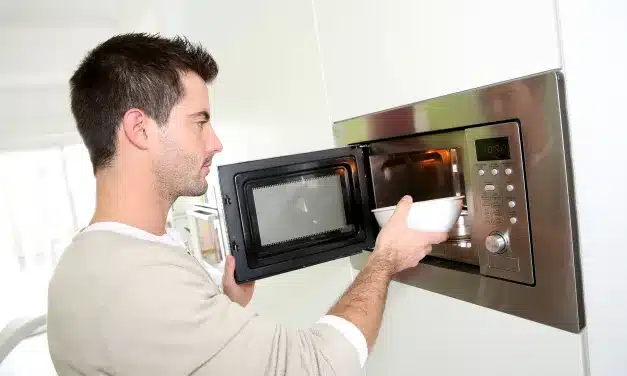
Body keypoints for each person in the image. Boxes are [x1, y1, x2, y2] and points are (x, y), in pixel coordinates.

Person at [47, 33, 448, 376]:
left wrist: (221, 308)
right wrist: (385, 260)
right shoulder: (133, 281)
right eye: (199, 121)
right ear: (139, 129)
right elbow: (317, 365)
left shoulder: (94, 260)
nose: (215, 142)